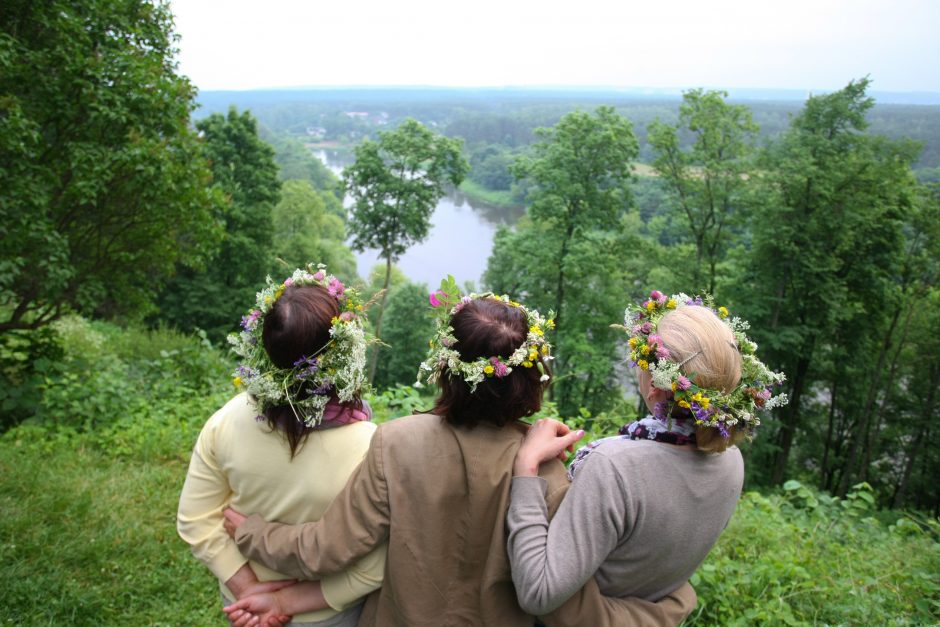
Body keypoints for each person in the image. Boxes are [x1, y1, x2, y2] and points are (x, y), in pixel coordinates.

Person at [222, 288, 698, 626]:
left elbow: (328, 548)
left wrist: (252, 532)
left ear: (447, 369)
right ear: (534, 381)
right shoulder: (550, 475)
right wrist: (669, 603)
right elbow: (561, 603)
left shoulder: (395, 443)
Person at [506, 291, 788, 614]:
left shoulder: (613, 469)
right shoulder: (732, 463)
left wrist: (526, 468)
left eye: (641, 361)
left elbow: (537, 594)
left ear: (654, 385)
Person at [177, 265, 387, 627]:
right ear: (345, 354)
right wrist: (282, 601)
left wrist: (248, 590)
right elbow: (373, 568)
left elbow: (195, 520)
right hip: (326, 614)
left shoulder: (228, 419)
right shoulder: (373, 448)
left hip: (244, 609)